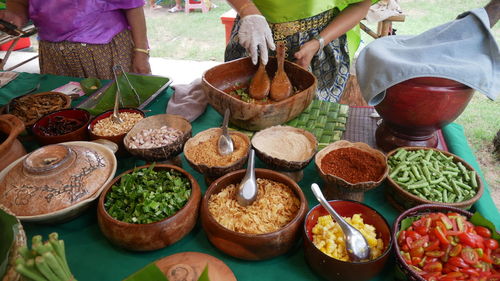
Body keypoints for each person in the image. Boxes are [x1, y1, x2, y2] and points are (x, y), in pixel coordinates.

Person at [225, 0, 374, 102]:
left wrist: (318, 43)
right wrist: (247, 9)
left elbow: (361, 4)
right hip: (254, 32)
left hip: (319, 45)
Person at [0, 0, 151, 80]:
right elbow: (19, 3)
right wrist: (16, 16)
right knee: (67, 114)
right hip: (53, 57)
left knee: (115, 112)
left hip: (104, 54)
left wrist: (141, 52)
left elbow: (133, 6)